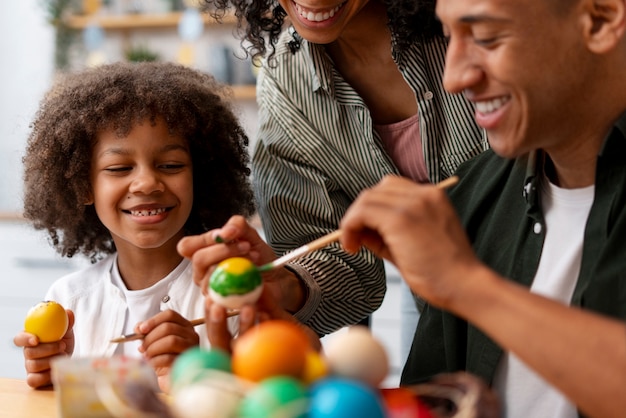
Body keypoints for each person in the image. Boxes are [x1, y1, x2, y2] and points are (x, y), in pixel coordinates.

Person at [337, 0, 626, 417]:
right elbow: (428, 402)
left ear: (599, 21)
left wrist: (464, 283)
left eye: (487, 38)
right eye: (449, 37)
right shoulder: (475, 192)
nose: (454, 78)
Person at [191, 0, 487, 356]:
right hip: (440, 314)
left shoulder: (471, 22)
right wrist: (286, 284)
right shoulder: (287, 81)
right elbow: (343, 266)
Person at [13, 61, 255, 392]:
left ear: (201, 176)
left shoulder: (233, 295)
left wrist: (199, 373)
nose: (146, 183)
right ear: (83, 186)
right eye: (119, 167)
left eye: (170, 165)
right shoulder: (68, 299)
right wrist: (51, 380)